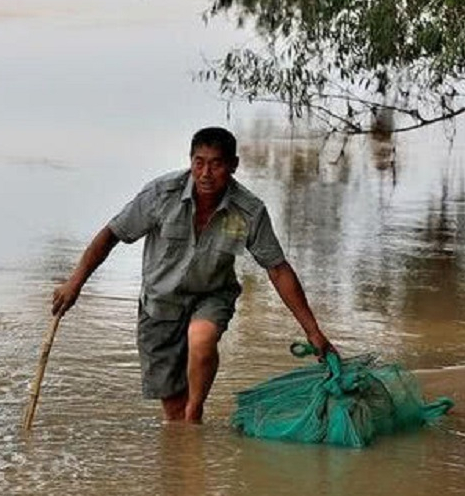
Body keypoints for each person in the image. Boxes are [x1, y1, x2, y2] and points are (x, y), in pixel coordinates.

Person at [51, 126, 336, 423]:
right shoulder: (161, 195)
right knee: (174, 415)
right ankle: (187, 444)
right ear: (190, 161)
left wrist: (312, 330)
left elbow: (277, 269)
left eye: (216, 164)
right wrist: (75, 283)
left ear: (233, 166)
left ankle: (196, 408)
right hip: (160, 303)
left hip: (211, 294)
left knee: (201, 340)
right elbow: (111, 235)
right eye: (199, 162)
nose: (206, 173)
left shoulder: (248, 211)